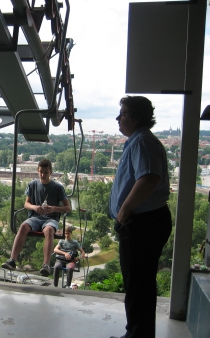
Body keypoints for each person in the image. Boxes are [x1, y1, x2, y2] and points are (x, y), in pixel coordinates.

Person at [109, 96, 172, 338]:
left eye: (123, 113)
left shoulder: (142, 142)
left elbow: (149, 179)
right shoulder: (139, 141)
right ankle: (137, 333)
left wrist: (123, 209)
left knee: (138, 286)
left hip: (143, 224)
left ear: (136, 117)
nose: (118, 118)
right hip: (146, 222)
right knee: (140, 285)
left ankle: (136, 336)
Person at [2, 159, 71, 276]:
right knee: (23, 226)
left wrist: (54, 208)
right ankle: (12, 260)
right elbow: (26, 204)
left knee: (49, 230)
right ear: (37, 171)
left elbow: (68, 208)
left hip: (51, 219)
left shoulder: (57, 187)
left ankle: (46, 265)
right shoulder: (33, 185)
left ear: (51, 172)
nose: (43, 175)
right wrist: (34, 207)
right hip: (35, 217)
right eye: (40, 172)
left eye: (45, 172)